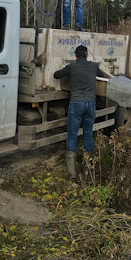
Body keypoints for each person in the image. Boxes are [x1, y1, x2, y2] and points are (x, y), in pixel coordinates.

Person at [53, 44, 106, 179]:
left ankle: (71, 172)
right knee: (88, 135)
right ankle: (89, 170)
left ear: (75, 56)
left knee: (72, 135)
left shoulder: (72, 67)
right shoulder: (93, 66)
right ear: (87, 55)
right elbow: (102, 76)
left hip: (76, 103)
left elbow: (56, 75)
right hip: (90, 103)